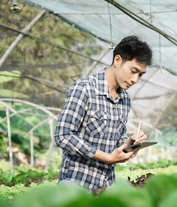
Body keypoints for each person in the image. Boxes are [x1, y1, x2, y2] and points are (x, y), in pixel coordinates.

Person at [54, 35, 152, 193]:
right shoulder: (84, 89)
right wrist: (107, 158)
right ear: (117, 60)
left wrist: (129, 145)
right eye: (133, 71)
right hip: (76, 185)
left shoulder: (125, 99)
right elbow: (63, 136)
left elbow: (116, 144)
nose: (135, 79)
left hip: (105, 187)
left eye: (140, 75)